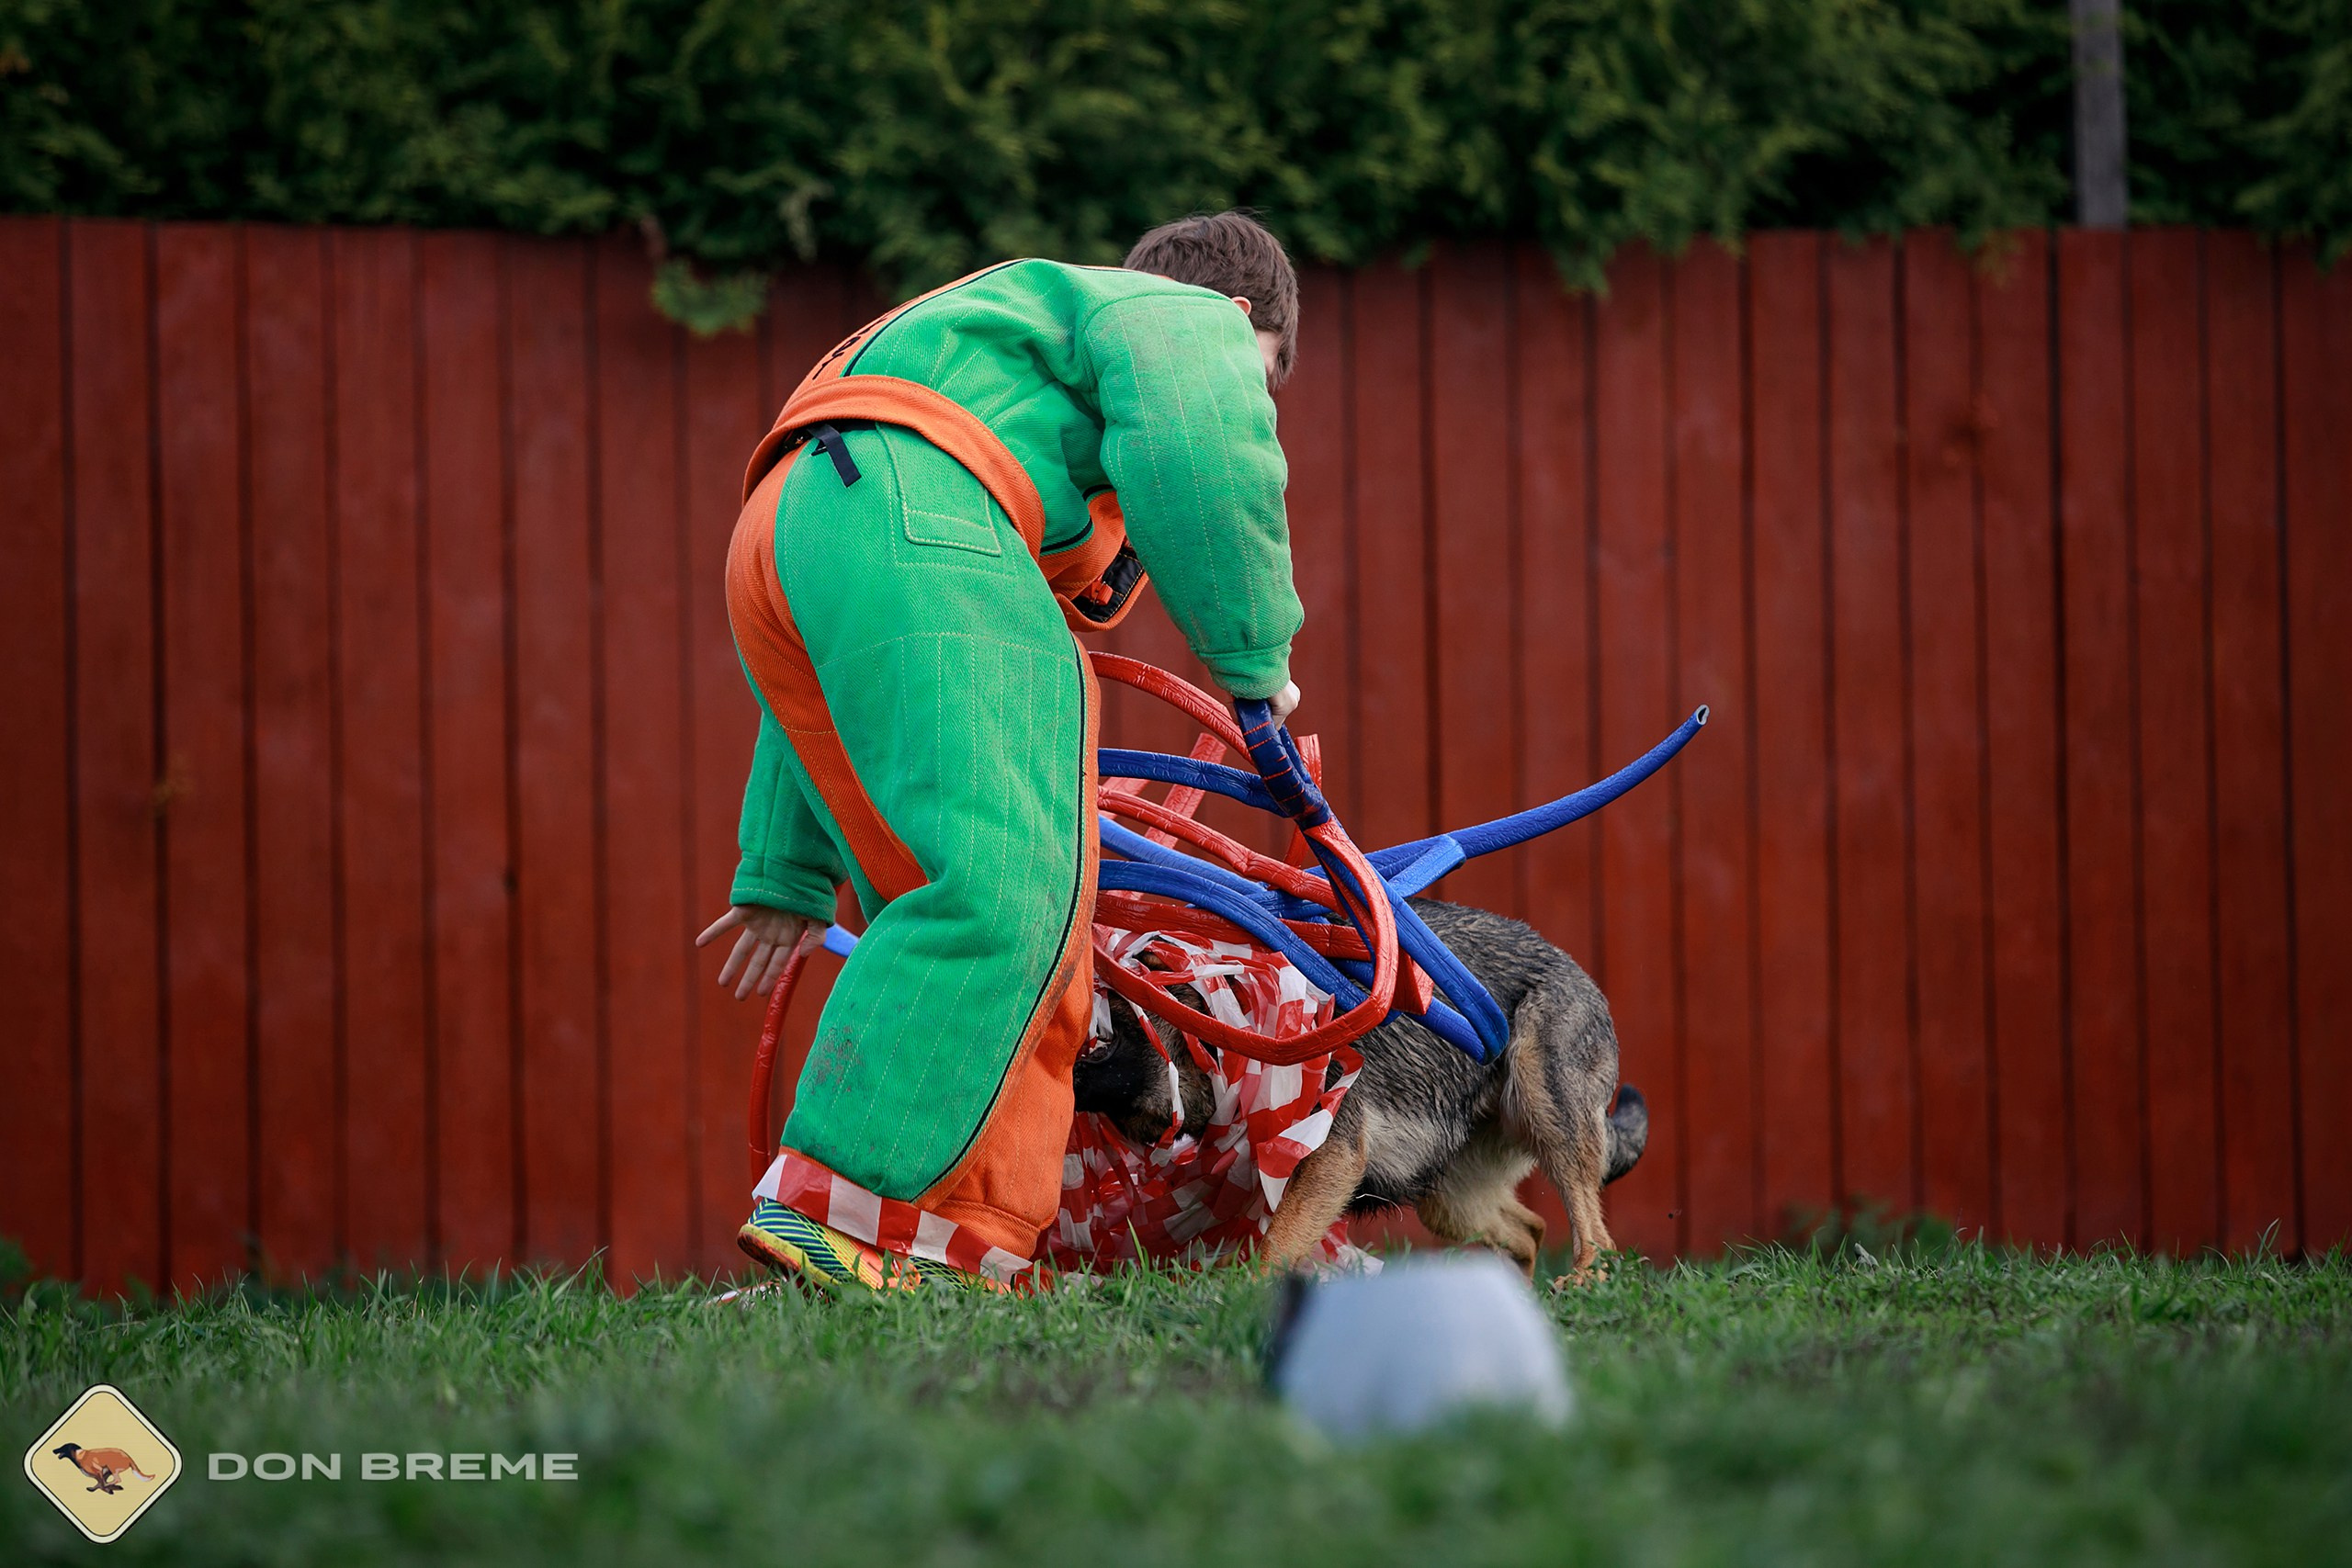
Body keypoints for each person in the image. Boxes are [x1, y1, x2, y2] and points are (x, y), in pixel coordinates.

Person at [695, 211, 1306, 1291]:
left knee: (987, 915)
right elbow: (1201, 451)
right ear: (1237, 315)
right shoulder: (1181, 319)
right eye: (1258, 379)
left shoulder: (1014, 353)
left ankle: (958, 1247)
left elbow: (823, 683)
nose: (1246, 399)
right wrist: (1255, 664)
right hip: (927, 509)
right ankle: (844, 1208)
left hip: (791, 523)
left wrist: (783, 868)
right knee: (1012, 888)